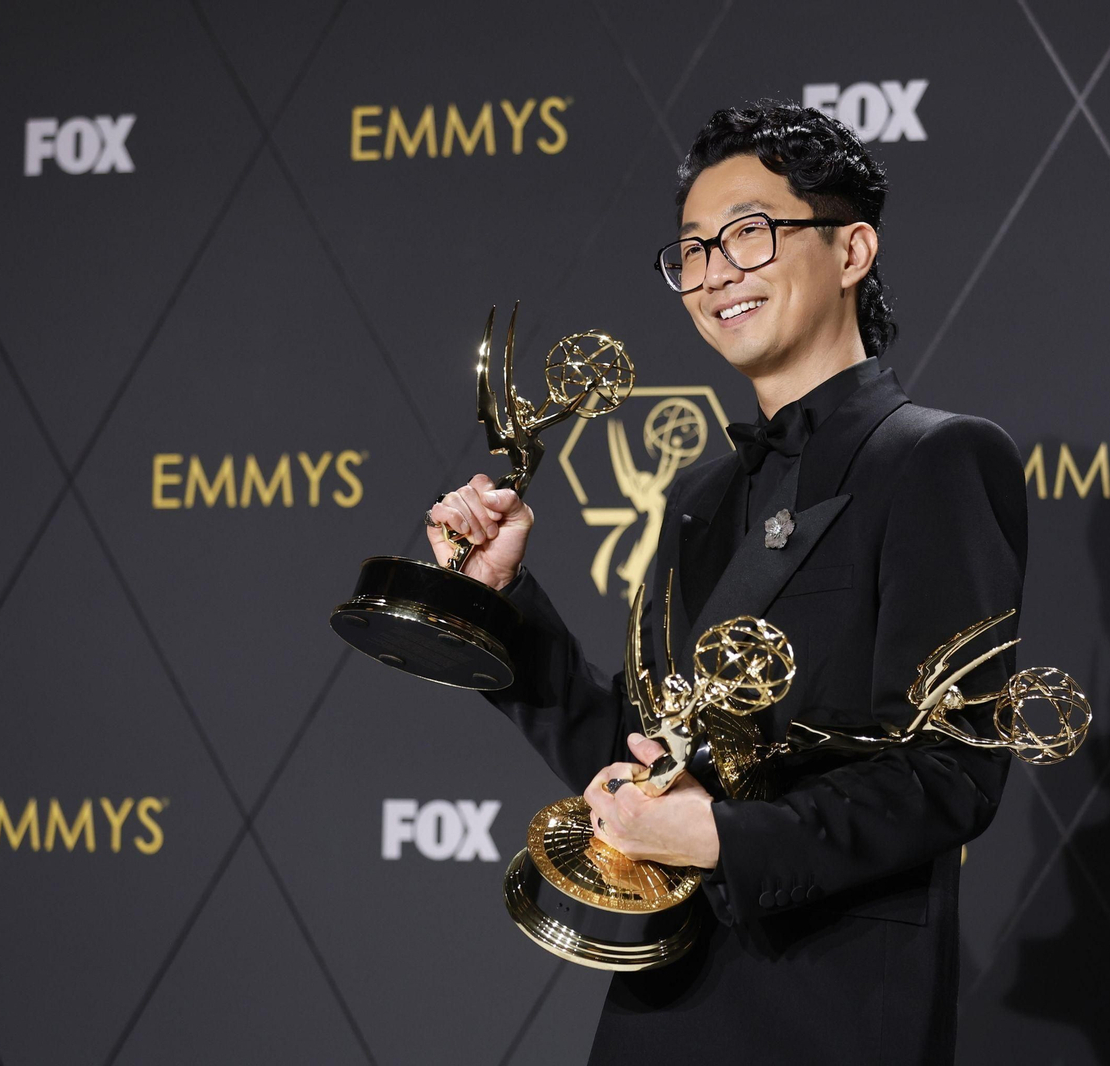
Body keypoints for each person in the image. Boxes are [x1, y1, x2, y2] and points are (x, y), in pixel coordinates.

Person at [427, 101, 1028, 1064]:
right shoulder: (700, 495)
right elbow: (644, 751)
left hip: (831, 1012)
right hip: (660, 1005)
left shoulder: (935, 459)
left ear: (852, 249)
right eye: (694, 249)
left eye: (749, 234)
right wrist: (497, 602)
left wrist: (720, 839)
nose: (715, 273)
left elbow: (952, 774)